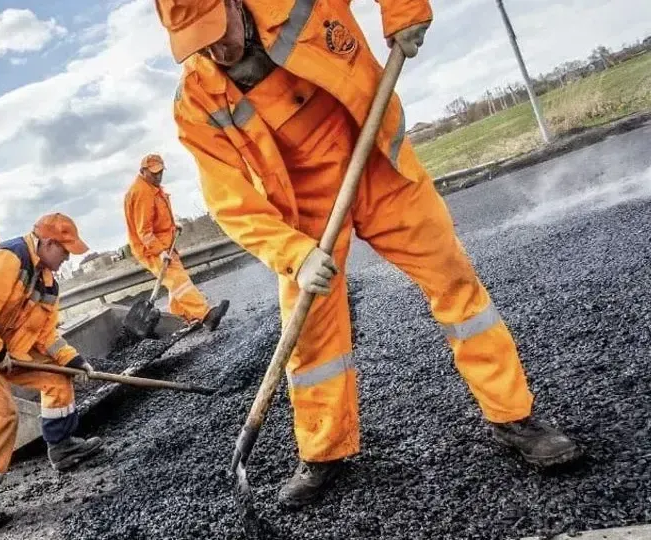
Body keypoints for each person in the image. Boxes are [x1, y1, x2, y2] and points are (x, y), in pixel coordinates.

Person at [152, 0, 583, 509]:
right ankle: (324, 451)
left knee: (453, 281)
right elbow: (231, 201)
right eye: (195, 43)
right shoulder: (195, 101)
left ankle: (513, 417)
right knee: (310, 335)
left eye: (214, 31)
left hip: (375, 159)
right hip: (304, 209)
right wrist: (294, 254)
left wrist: (404, 9)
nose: (213, 49)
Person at [0, 213, 105, 532]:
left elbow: (46, 334)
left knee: (57, 378)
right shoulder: (9, 258)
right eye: (65, 250)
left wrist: (73, 360)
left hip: (2, 346)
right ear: (48, 243)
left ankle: (63, 447)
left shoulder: (48, 282)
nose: (67, 258)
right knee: (2, 415)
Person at [124, 152, 230, 329]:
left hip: (164, 242)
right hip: (151, 248)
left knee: (177, 282)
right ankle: (206, 315)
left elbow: (157, 218)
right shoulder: (142, 192)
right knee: (178, 280)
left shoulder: (151, 187)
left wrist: (172, 226)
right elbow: (144, 231)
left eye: (160, 172)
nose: (158, 176)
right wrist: (160, 252)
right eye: (154, 173)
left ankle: (181, 317)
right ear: (143, 171)